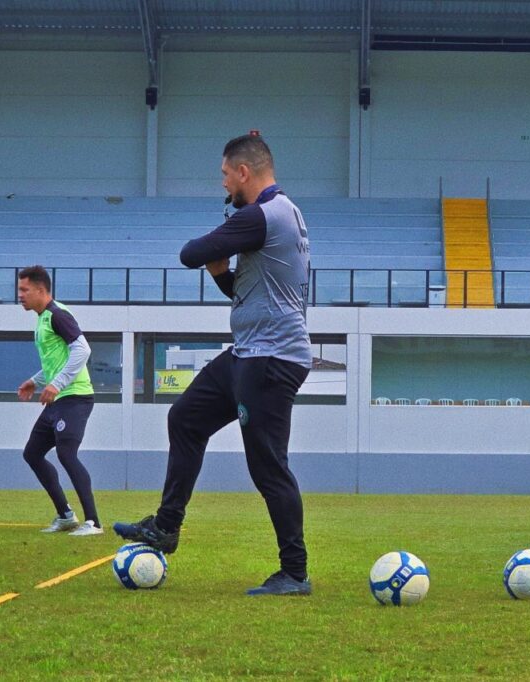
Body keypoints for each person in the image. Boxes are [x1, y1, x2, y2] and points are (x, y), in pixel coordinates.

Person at [114, 134, 314, 596]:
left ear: (243, 172)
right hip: (250, 351)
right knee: (185, 418)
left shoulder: (263, 216)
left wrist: (214, 252)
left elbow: (189, 253)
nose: (223, 185)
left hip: (271, 358)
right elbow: (244, 291)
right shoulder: (279, 214)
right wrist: (223, 271)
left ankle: (296, 573)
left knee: (269, 468)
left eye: (226, 175)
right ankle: (166, 526)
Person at [16, 265, 101, 536]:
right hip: (58, 400)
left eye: (24, 289)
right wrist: (37, 380)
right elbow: (58, 360)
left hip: (75, 398)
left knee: (66, 454)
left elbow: (82, 350)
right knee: (32, 453)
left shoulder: (57, 315)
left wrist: (56, 384)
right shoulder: (42, 319)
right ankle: (65, 515)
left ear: (41, 290)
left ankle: (93, 523)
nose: (20, 295)